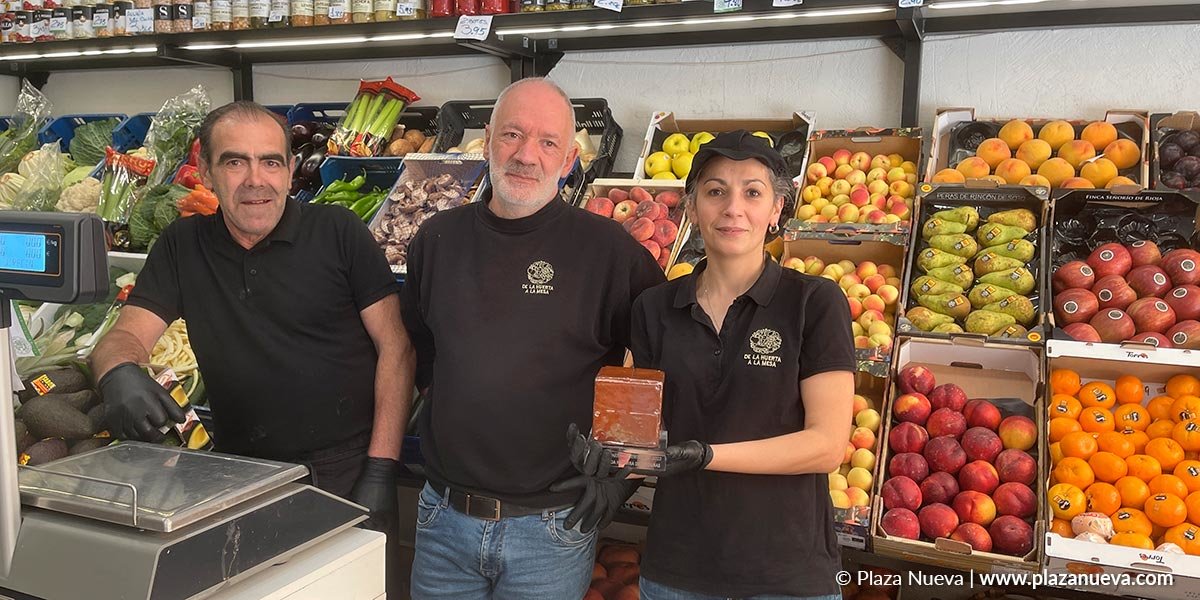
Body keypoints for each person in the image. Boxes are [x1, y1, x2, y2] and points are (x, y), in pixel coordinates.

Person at [90, 101, 414, 595]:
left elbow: (397, 350)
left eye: (270, 162)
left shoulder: (338, 233)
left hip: (344, 472)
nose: (255, 180)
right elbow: (125, 337)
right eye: (235, 162)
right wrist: (117, 372)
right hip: (238, 476)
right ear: (207, 172)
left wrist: (382, 469)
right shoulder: (183, 244)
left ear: (288, 171)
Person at [401, 77, 665, 599]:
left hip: (551, 529)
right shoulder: (436, 239)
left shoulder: (609, 252)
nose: (526, 155)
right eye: (512, 135)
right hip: (444, 520)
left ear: (569, 161)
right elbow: (422, 351)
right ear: (488, 142)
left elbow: (661, 365)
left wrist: (626, 474)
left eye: (547, 143)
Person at [567, 131, 855, 600]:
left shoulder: (814, 303)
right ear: (693, 205)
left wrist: (707, 455)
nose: (733, 208)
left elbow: (825, 447)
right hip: (677, 570)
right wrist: (612, 467)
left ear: (776, 209)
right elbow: (642, 433)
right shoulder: (653, 309)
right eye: (716, 190)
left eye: (753, 192)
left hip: (786, 573)